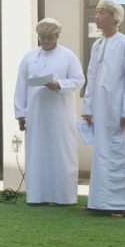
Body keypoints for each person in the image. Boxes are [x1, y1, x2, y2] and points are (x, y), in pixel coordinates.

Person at [14, 18, 85, 206]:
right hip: (35, 115)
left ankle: (63, 197)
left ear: (57, 36)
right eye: (42, 37)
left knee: (62, 153)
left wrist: (59, 84)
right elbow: (21, 86)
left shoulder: (68, 56)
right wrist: (21, 113)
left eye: (49, 37)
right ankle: (37, 196)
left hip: (61, 114)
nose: (45, 41)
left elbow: (78, 80)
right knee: (37, 153)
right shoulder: (29, 57)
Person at [82, 0, 125, 218]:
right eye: (96, 12)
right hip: (99, 109)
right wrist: (88, 108)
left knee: (118, 153)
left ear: (115, 17)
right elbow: (91, 77)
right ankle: (99, 202)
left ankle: (124, 204)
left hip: (117, 110)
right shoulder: (97, 45)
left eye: (102, 13)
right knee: (101, 154)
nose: (96, 16)